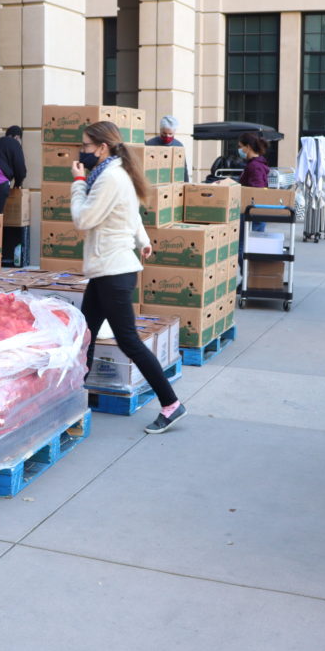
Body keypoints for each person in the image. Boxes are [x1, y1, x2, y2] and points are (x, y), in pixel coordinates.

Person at [72, 121, 185, 435]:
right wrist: (143, 240)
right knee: (86, 334)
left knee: (128, 341)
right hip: (106, 270)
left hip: (114, 272)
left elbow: (83, 218)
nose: (82, 152)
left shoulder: (108, 178)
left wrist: (78, 183)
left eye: (86, 146)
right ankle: (75, 398)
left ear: (102, 148)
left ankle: (171, 403)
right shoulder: (115, 173)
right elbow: (131, 214)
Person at [238, 131, 270, 233]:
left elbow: (257, 189)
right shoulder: (256, 164)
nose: (239, 150)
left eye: (241, 146)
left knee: (243, 244)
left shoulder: (255, 166)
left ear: (248, 147)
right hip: (255, 211)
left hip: (252, 211)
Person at [147, 115, 191, 182]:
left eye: (170, 134)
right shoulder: (150, 144)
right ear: (160, 130)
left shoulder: (179, 146)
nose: (167, 136)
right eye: (164, 133)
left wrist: (186, 184)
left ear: (174, 132)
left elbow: (183, 168)